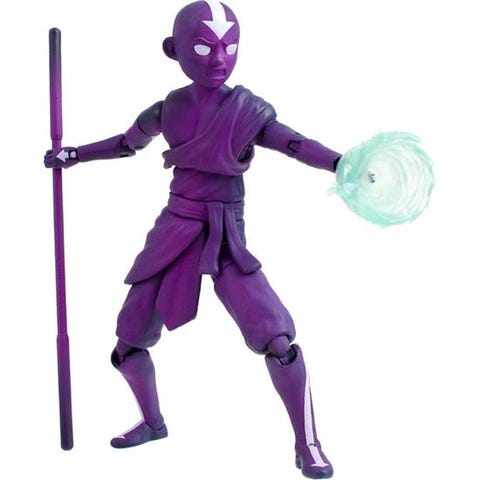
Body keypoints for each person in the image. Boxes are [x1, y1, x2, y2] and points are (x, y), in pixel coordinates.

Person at [45, 2, 341, 478]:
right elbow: (125, 144)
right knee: (127, 343)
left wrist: (341, 164)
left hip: (225, 236)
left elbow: (295, 143)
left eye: (229, 46)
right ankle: (153, 423)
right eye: (203, 48)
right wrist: (74, 154)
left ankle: (307, 442)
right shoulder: (167, 110)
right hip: (175, 229)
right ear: (173, 50)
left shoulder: (247, 112)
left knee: (278, 339)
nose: (219, 58)